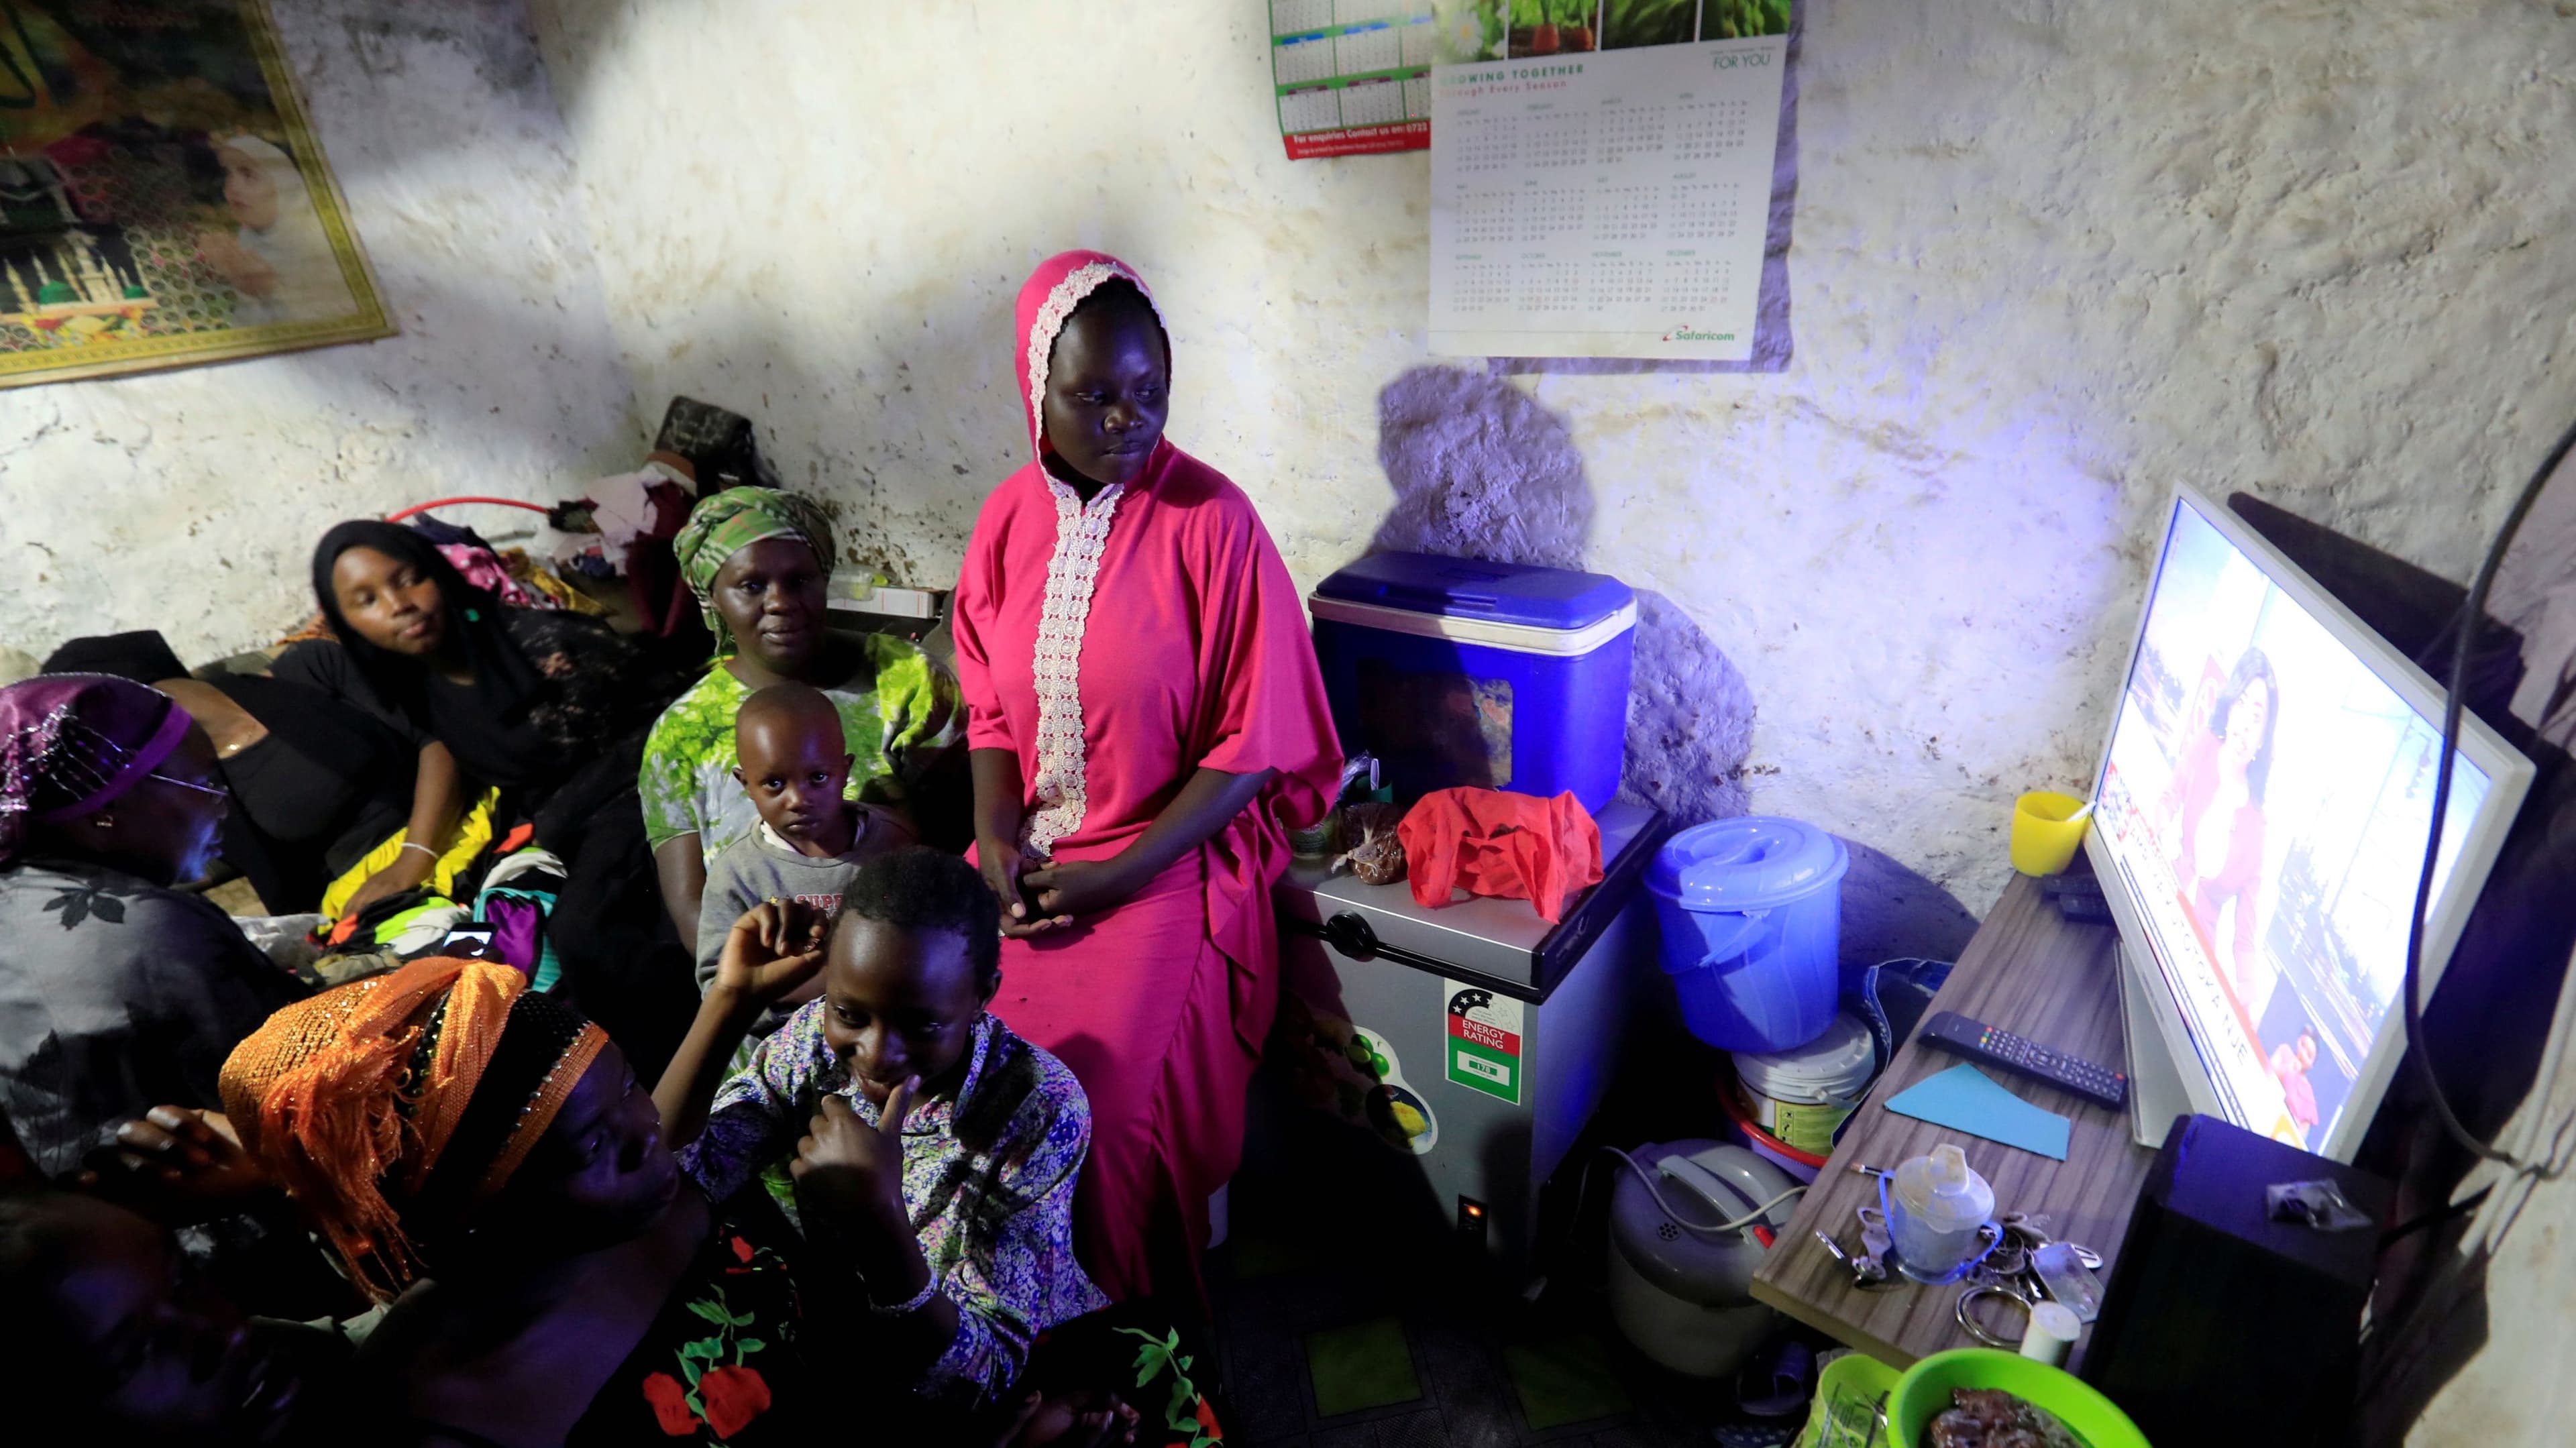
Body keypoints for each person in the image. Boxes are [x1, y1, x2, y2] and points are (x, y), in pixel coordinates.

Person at [951, 251, 1341, 1304]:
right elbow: (988, 701)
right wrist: (992, 830)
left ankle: (1123, 1348)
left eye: (1149, 393)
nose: (1128, 419)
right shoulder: (1003, 523)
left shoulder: (1215, 523)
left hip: (1170, 865)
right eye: (1094, 395)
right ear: (1039, 392)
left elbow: (1253, 744)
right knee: (947, 1061)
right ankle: (972, 1332)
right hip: (1030, 860)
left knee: (1097, 1111)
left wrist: (1115, 877)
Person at [659, 847, 1108, 1408]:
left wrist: (880, 1222)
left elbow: (984, 1375)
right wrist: (729, 1003)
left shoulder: (1039, 1107)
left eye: (920, 1024)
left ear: (982, 996)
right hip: (838, 1333)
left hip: (980, 1380)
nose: (874, 1053)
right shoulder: (812, 1044)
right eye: (849, 1013)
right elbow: (661, 1184)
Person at [284, 520, 696, 1075]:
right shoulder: (422, 679)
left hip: (648, 792)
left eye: (408, 580)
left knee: (586, 932)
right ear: (347, 623)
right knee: (478, 934)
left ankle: (677, 1080)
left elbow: (660, 734)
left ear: (440, 574)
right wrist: (424, 856)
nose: (399, 605)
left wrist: (551, 827)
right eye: (368, 600)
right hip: (569, 819)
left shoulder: (544, 648)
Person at [0, 674, 309, 1176]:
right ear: (107, 808)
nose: (220, 801)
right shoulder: (155, 929)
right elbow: (314, 1088)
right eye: (203, 781)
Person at [642, 486, 962, 940]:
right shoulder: (684, 732)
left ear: (824, 577)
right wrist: (764, 983)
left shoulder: (905, 679)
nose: (780, 602)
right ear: (713, 597)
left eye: (799, 581)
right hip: (766, 981)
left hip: (904, 952)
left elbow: (955, 838)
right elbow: (694, 911)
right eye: (751, 586)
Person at [40, 630, 462, 917]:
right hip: (375, 895)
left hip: (461, 828)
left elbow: (437, 740)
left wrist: (415, 857)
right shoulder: (192, 786)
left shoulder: (308, 672)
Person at [0, 1185, 342, 1445]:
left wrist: (288, 1173)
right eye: (133, 1355)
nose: (230, 1333)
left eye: (184, 1277)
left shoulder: (296, 1359)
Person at [692, 683, 906, 1001]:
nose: (798, 800)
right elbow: (718, 989)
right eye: (775, 784)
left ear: (845, 771)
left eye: (818, 778)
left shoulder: (894, 840)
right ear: (746, 784)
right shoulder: (738, 875)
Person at [2172, 649, 2280, 1013]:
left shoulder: (2257, 829)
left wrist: (2246, 995)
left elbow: (2245, 936)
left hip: (2193, 957)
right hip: (2157, 901)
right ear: (2230, 706)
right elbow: (2170, 796)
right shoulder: (2205, 746)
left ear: (2264, 738)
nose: (2245, 725)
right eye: (2242, 707)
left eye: (2257, 717)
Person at [198, 135, 356, 328]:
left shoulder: (323, 242)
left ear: (283, 185)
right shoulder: (248, 238)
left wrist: (271, 290)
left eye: (248, 175)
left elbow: (344, 326)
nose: (232, 188)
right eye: (228, 174)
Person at [2269, 1029, 2321, 1133]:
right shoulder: (2284, 1051)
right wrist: (2289, 1069)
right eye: (2303, 1045)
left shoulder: (2308, 1092)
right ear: (2298, 1040)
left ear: (2311, 1065)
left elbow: (2302, 1132)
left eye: (2309, 1055)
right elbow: (2269, 1074)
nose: (2303, 1054)